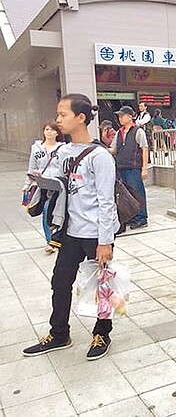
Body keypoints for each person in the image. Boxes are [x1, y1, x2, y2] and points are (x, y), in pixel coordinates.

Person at [23, 93, 120, 361]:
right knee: (61, 281)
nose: (58, 120)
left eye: (62, 115)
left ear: (81, 118)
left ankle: (102, 332)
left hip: (94, 235)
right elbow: (55, 185)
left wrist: (105, 241)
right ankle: (59, 333)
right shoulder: (62, 152)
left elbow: (106, 202)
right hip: (70, 232)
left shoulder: (100, 156)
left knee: (102, 286)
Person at [23, 121, 65, 253]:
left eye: (52, 130)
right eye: (47, 129)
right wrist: (27, 185)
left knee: (57, 211)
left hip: (59, 185)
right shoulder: (36, 148)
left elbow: (65, 167)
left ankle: (57, 239)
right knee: (46, 210)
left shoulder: (63, 148)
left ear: (57, 133)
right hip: (43, 185)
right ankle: (50, 242)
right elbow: (32, 167)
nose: (49, 132)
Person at [110, 106, 149, 231]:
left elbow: (144, 149)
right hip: (121, 167)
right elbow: (114, 149)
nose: (120, 118)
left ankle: (141, 218)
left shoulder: (138, 131)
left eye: (122, 115)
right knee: (125, 195)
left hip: (134, 168)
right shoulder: (119, 132)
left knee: (137, 192)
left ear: (130, 116)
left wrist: (144, 168)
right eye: (119, 116)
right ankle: (130, 217)